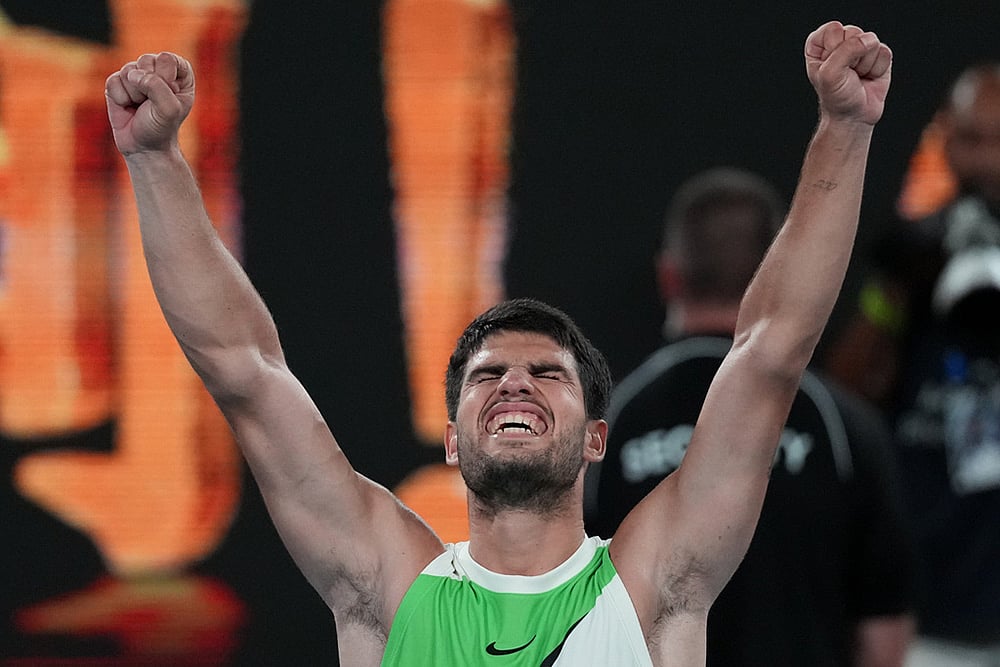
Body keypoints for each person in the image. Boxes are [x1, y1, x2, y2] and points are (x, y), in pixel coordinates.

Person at [104, 20, 891, 665]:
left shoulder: (653, 584)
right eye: (488, 376)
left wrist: (846, 129)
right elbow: (244, 367)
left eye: (547, 372)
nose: (515, 383)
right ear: (452, 438)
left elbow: (770, 350)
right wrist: (153, 159)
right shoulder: (387, 585)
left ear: (595, 438)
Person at [585, 167, 916, 666]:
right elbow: (883, 635)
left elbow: (568, 616)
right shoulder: (843, 428)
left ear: (669, 275)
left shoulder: (607, 428)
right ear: (778, 273)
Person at [824, 64, 1000, 666]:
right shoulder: (913, 252)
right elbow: (842, 398)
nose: (989, 161)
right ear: (947, 142)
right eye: (975, 138)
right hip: (929, 604)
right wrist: (894, 293)